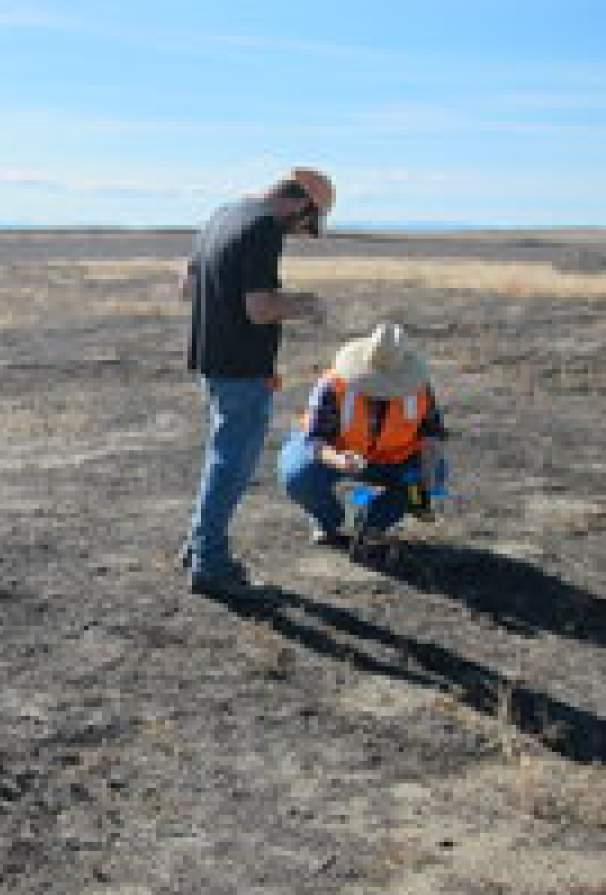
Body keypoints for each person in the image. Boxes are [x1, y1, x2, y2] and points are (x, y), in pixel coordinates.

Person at [178, 167, 335, 598]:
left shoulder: (221, 215)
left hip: (211, 360)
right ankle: (210, 564)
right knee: (231, 465)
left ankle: (198, 548)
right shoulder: (263, 227)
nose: (303, 231)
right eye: (308, 223)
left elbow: (187, 287)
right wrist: (308, 305)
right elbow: (260, 309)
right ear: (301, 204)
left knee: (221, 457)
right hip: (242, 367)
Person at [277, 322, 448, 547]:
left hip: (395, 461)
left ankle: (371, 524)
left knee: (431, 478)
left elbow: (431, 437)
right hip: (337, 455)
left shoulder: (419, 388)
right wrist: (339, 460)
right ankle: (329, 522)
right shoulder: (332, 385)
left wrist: (428, 479)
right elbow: (315, 441)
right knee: (298, 475)